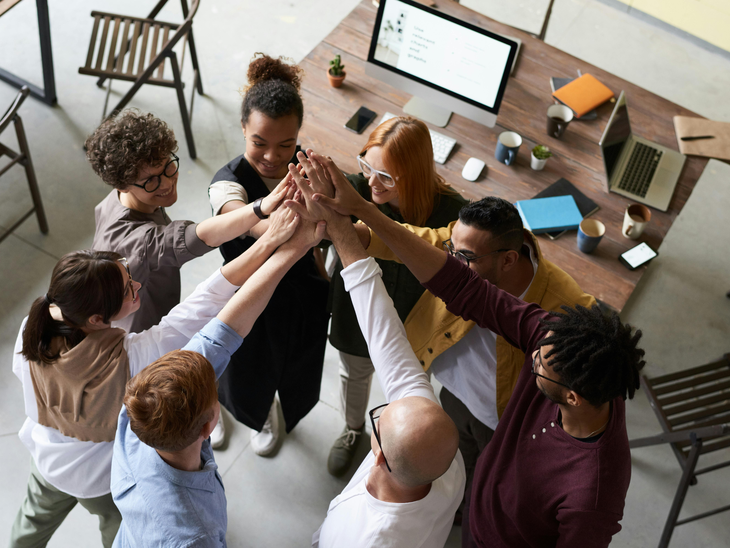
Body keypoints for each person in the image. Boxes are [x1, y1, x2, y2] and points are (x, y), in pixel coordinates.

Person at [298, 151, 647, 548]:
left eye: (539, 366)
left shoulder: (595, 492)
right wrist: (358, 212)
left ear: (570, 396)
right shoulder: (557, 339)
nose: (531, 354)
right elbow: (461, 286)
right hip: (476, 501)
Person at [10, 211, 298, 547]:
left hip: (46, 460)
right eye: (128, 289)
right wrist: (271, 242)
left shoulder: (32, 329)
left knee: (28, 528)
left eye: (128, 274)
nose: (137, 286)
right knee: (121, 531)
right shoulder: (135, 359)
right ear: (97, 318)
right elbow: (206, 302)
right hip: (99, 480)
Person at [363, 196, 596, 520]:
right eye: (452, 249)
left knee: (484, 487)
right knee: (452, 462)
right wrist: (361, 234)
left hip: (498, 419)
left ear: (509, 259)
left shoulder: (563, 306)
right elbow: (417, 240)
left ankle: (464, 513)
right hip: (453, 394)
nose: (451, 263)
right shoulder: (465, 241)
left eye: (465, 257)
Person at [285, 154, 465, 548]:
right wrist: (340, 228)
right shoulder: (444, 461)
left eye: (377, 419)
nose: (388, 405)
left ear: (378, 456)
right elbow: (386, 337)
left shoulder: (373, 539)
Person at [111, 217, 326, 547]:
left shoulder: (138, 414)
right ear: (209, 425)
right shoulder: (195, 535)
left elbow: (225, 330)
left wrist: (294, 247)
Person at [326, 116, 467, 477]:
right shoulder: (352, 190)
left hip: (417, 329)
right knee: (354, 376)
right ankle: (353, 428)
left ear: (415, 175)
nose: (371, 182)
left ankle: (395, 447)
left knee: (406, 397)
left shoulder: (453, 216)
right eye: (366, 166)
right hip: (357, 318)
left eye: (386, 176)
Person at [207, 53, 329, 455]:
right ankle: (220, 411)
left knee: (294, 369)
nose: (273, 157)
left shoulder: (311, 170)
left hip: (299, 294)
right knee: (238, 366)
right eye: (259, 142)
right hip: (246, 292)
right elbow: (241, 219)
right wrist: (279, 227)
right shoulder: (227, 184)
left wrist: (322, 268)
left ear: (299, 136)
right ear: (243, 128)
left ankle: (270, 415)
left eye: (286, 144)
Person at [88, 110, 292, 335]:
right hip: (146, 334)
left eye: (168, 167)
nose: (166, 183)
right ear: (122, 185)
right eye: (151, 181)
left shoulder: (115, 202)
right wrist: (261, 207)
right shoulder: (139, 242)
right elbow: (198, 235)